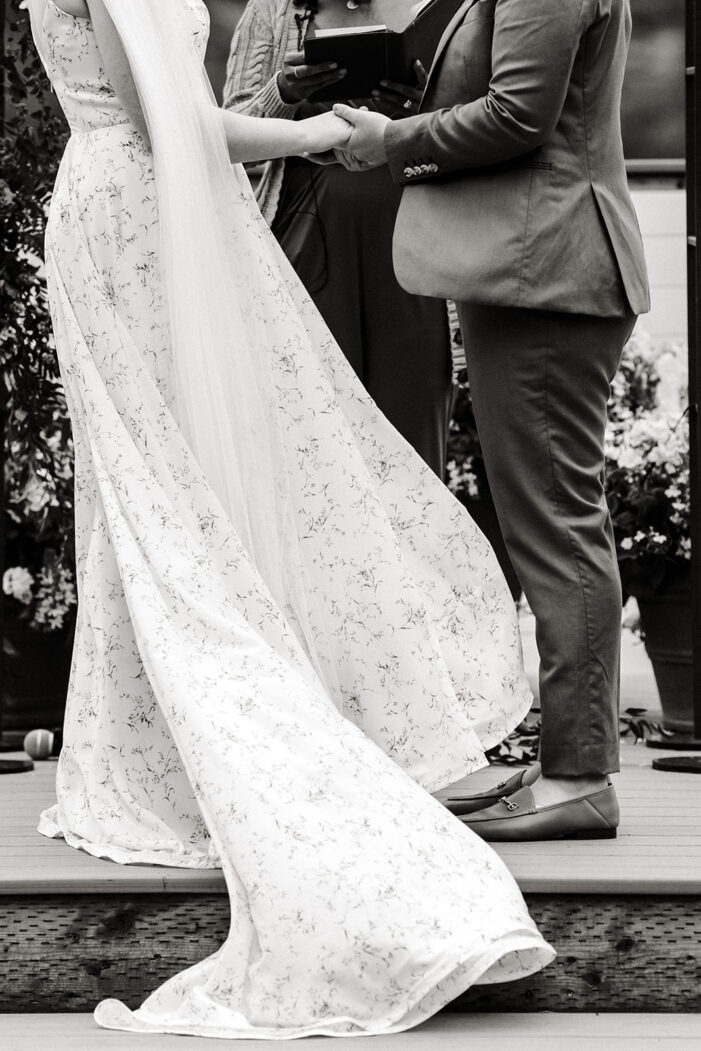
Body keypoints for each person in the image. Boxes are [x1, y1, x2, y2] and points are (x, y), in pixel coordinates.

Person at [26, 0, 553, 1038]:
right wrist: (314, 135)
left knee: (159, 499)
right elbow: (168, 124)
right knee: (176, 506)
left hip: (116, 206)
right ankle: (216, 745)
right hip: (143, 221)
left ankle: (145, 752)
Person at [331, 0, 650, 841]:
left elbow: (519, 113)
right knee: (551, 518)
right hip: (532, 264)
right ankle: (566, 765)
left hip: (547, 266)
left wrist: (389, 140)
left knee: (555, 524)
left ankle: (579, 776)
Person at [223, 0, 453, 477]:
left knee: (410, 424)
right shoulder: (273, 11)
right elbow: (225, 136)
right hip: (307, 236)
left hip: (416, 241)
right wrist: (282, 92)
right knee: (313, 427)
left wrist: (421, 104)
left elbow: (474, 120)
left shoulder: (436, 8)